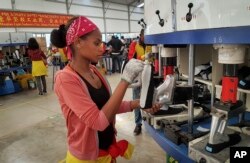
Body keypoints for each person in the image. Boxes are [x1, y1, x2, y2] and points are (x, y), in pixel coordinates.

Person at [50, 16, 161, 163]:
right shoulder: (65, 79)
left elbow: (108, 107)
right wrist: (125, 80)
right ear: (77, 42)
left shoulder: (94, 71)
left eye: (101, 43)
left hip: (107, 152)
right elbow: (98, 121)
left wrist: (139, 103)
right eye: (96, 43)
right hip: (86, 158)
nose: (102, 48)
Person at [128, 29, 152, 136]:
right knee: (136, 100)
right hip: (137, 76)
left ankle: (150, 121)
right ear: (140, 35)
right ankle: (138, 124)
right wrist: (144, 57)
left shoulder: (151, 44)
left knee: (150, 98)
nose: (146, 38)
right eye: (144, 36)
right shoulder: (134, 45)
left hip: (149, 74)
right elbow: (131, 59)